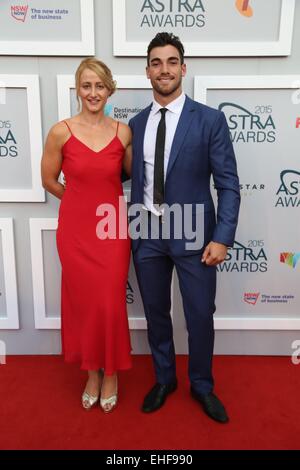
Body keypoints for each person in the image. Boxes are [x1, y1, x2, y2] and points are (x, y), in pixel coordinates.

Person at [129, 33, 240, 423]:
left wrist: (222, 237)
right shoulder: (136, 123)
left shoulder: (210, 120)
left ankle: (201, 385)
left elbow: (227, 184)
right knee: (157, 314)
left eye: (172, 61)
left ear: (183, 68)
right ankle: (164, 379)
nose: (164, 69)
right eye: (156, 62)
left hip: (196, 237)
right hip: (147, 237)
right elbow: (135, 183)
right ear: (147, 71)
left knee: (198, 315)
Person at [41, 58, 132, 413]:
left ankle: (112, 373)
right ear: (78, 89)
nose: (93, 93)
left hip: (112, 230)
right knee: (83, 304)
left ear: (109, 89)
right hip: (76, 233)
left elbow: (129, 177)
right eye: (86, 86)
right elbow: (49, 180)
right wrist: (79, 201)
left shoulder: (123, 133)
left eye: (99, 86)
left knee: (109, 302)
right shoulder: (60, 131)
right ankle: (92, 372)